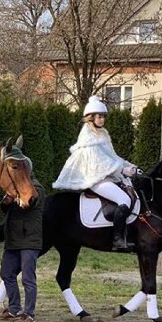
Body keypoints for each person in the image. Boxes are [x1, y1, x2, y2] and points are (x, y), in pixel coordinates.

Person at [52, 95, 138, 251]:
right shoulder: (88, 136)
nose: (102, 119)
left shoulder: (102, 134)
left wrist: (131, 166)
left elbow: (112, 157)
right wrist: (122, 170)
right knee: (124, 200)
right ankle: (117, 239)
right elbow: (99, 161)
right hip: (96, 179)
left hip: (107, 177)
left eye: (103, 116)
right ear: (90, 118)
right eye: (99, 116)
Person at [0, 174, 46, 322]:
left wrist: (17, 196)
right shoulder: (13, 188)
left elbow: (32, 201)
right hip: (13, 240)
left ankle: (29, 314)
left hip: (29, 241)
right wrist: (6, 201)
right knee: (6, 273)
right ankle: (14, 308)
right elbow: (5, 210)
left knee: (28, 278)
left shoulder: (37, 188)